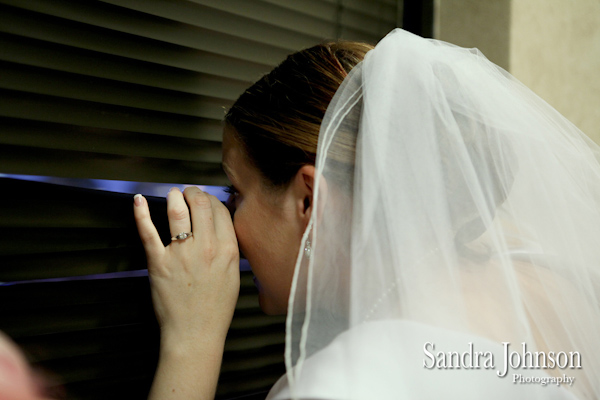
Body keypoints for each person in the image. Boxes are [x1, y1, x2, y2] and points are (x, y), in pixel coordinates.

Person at [133, 29, 600, 399]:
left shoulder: (339, 386)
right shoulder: (547, 283)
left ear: (309, 201)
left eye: (236, 192)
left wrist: (191, 341)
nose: (226, 218)